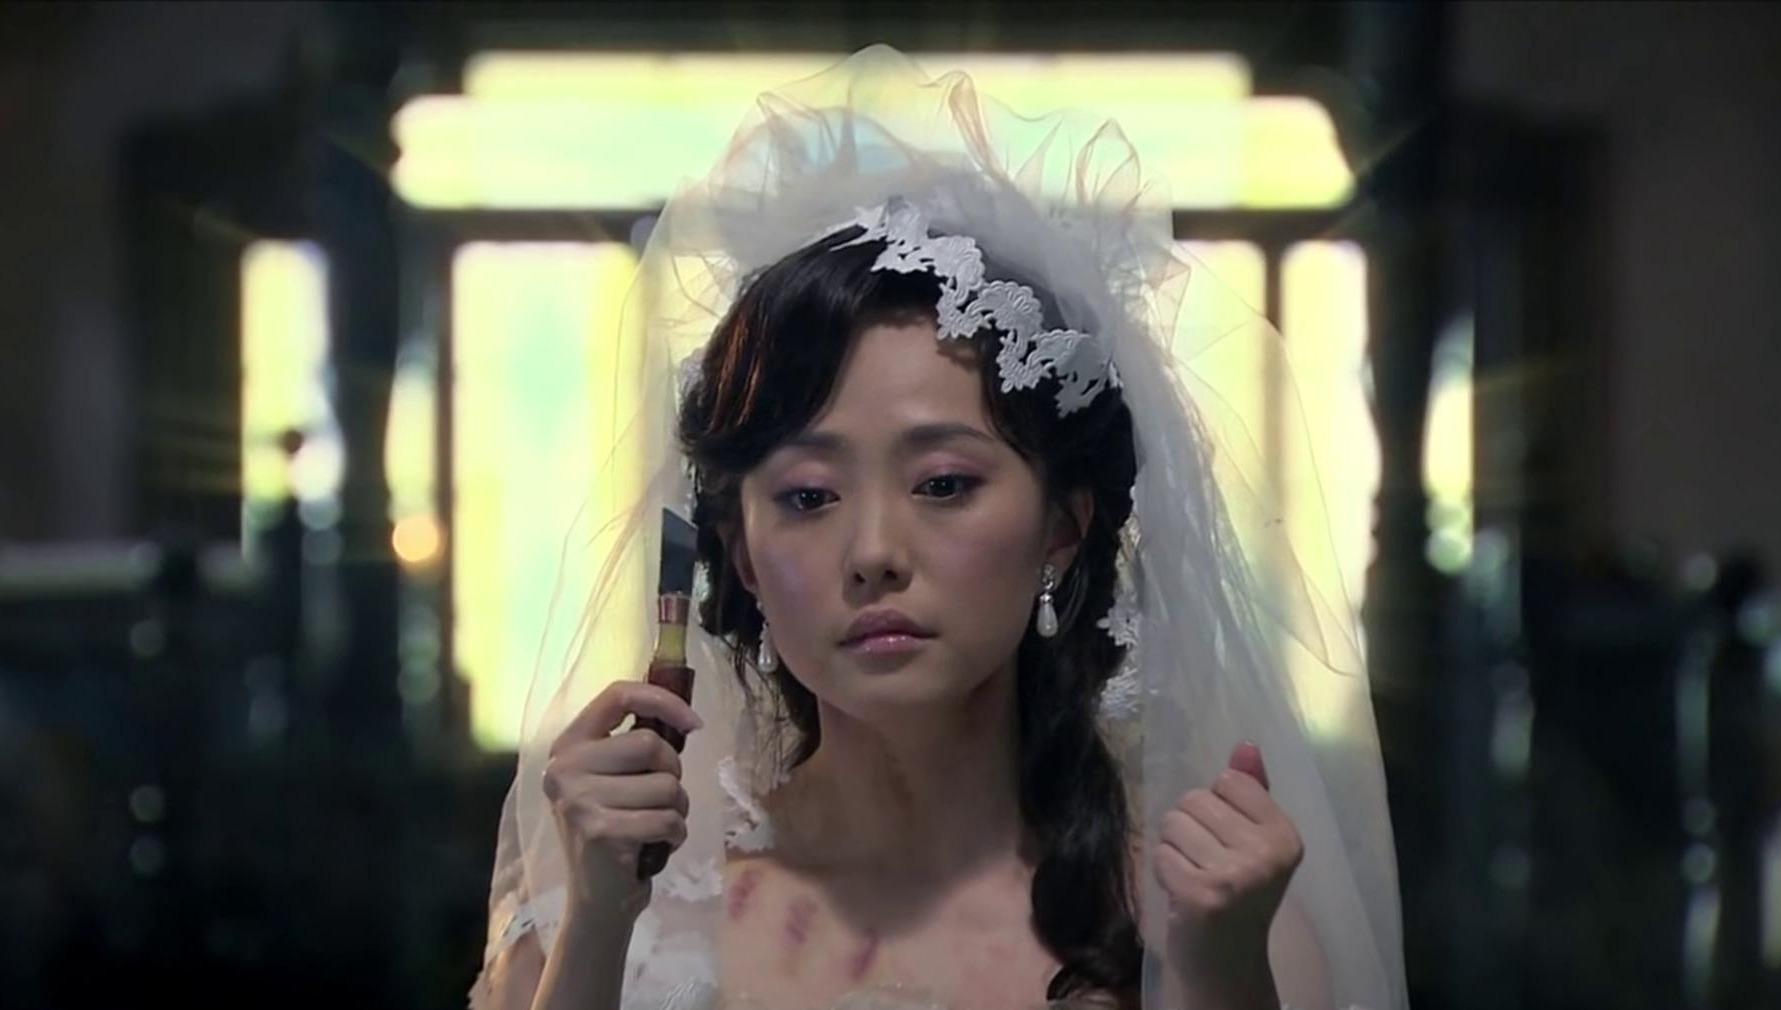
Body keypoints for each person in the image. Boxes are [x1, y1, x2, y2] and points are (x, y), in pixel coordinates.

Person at [471, 45, 1407, 1010]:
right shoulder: (618, 925)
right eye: (808, 497)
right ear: (742, 557)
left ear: (1062, 528)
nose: (874, 553)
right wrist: (597, 923)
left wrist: (1220, 976)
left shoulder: (1208, 931)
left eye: (944, 483)